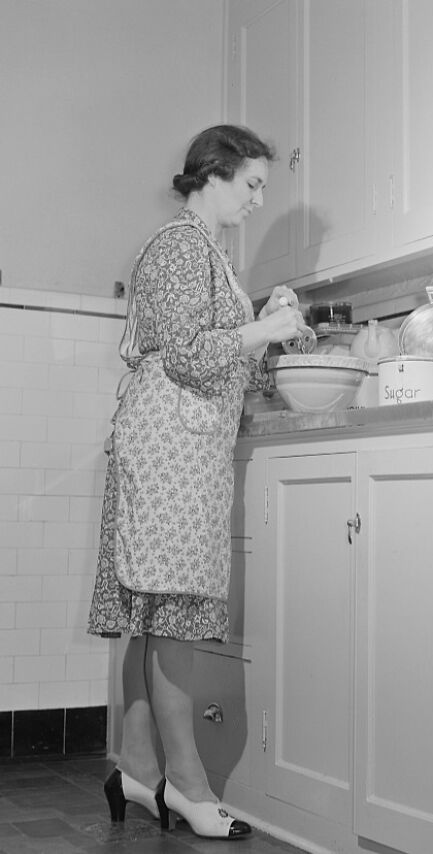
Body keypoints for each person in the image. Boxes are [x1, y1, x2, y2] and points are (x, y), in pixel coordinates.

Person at [87, 125, 307, 840]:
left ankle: (136, 772)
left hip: (176, 449)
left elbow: (211, 353)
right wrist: (265, 329)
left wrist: (264, 323)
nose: (259, 199)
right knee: (173, 620)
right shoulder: (182, 246)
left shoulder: (207, 254)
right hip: (169, 452)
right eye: (252, 184)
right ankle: (187, 785)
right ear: (213, 173)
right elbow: (185, 353)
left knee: (156, 619)